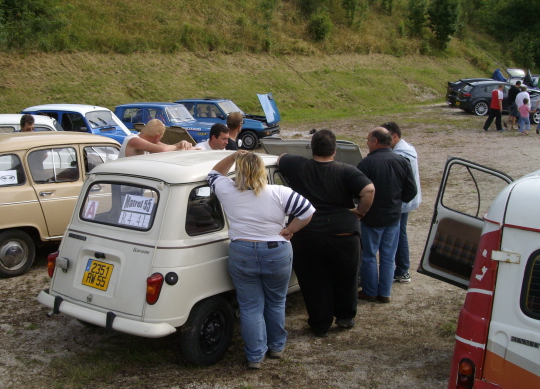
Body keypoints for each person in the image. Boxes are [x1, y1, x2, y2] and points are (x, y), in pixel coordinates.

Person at [208, 151, 315, 369]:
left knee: (249, 306)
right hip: (276, 250)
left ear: (238, 171)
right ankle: (276, 346)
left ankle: (255, 356)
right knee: (276, 301)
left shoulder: (227, 189)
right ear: (262, 171)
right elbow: (307, 211)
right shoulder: (279, 192)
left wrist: (234, 156)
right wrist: (290, 230)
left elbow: (212, 174)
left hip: (241, 251)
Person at [278, 130, 374, 335]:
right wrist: (360, 211)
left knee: (314, 281)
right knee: (346, 277)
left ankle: (320, 324)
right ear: (335, 150)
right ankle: (345, 317)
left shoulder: (297, 165)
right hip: (344, 234)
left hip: (308, 233)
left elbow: (279, 158)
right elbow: (369, 190)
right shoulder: (346, 171)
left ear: (311, 148)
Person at [356, 127, 417, 303]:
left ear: (375, 141)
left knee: (368, 255)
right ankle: (385, 293)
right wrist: (397, 201)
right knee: (388, 256)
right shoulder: (401, 161)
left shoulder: (366, 164)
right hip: (393, 217)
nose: (367, 144)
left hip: (372, 217)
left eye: (368, 140)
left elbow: (357, 190)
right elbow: (411, 190)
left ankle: (369, 291)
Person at [381, 122, 422, 284]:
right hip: (407, 199)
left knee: (398, 234)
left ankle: (403, 270)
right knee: (399, 233)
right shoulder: (406, 149)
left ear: (395, 136)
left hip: (403, 201)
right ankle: (402, 269)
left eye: (387, 137)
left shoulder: (401, 155)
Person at [120, 119, 194, 157]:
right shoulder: (134, 140)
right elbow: (163, 150)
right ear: (157, 136)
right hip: (125, 184)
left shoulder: (146, 139)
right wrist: (181, 146)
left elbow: (168, 147)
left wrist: (182, 143)